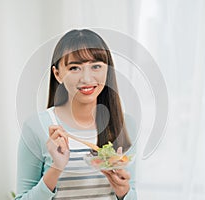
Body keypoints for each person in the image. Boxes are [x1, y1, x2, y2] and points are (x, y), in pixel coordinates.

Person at [15, 29, 137, 200]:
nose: (87, 79)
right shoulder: (36, 126)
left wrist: (123, 192)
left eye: (96, 66)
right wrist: (56, 168)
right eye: (74, 68)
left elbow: (133, 194)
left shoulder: (125, 124)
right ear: (57, 74)